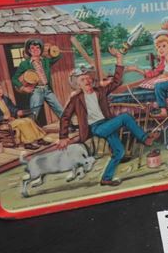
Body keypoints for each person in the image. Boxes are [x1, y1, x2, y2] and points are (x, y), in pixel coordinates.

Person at [57, 48, 159, 187]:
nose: (87, 80)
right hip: (96, 128)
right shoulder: (76, 99)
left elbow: (116, 81)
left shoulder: (100, 91)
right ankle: (145, 138)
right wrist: (63, 136)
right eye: (82, 79)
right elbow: (65, 116)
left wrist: (119, 58)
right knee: (125, 117)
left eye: (88, 78)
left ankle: (106, 178)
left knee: (119, 152)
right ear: (78, 84)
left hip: (107, 123)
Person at [0, 81, 51, 150]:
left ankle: (40, 139)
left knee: (28, 120)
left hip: (13, 120)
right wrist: (3, 117)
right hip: (3, 124)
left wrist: (17, 112)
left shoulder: (6, 99)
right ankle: (27, 143)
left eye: (0, 88)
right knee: (22, 122)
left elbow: (13, 108)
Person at [12, 38, 64, 120]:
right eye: (32, 48)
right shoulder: (24, 64)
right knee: (34, 113)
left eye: (37, 48)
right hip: (36, 90)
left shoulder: (46, 61)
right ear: (29, 50)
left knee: (60, 109)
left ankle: (68, 125)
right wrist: (23, 88)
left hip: (47, 89)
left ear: (41, 49)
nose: (35, 50)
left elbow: (59, 56)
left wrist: (51, 49)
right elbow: (14, 79)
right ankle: (31, 127)